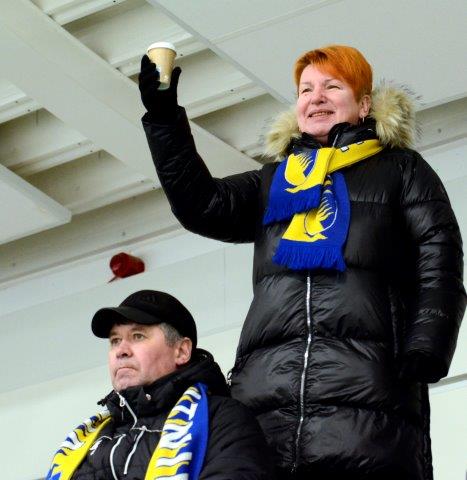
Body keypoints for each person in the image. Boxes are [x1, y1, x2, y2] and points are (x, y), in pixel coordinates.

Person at [138, 45, 466, 480]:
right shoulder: (274, 180)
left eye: (333, 86)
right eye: (306, 90)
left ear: (364, 104)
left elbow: (439, 256)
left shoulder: (401, 170)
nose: (316, 97)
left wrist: (428, 344)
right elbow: (201, 204)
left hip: (366, 398)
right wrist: (164, 118)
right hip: (267, 405)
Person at [45, 290, 275, 480]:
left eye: (138, 336)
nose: (121, 350)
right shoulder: (89, 437)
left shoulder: (222, 418)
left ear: (181, 351)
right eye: (115, 340)